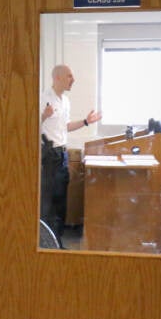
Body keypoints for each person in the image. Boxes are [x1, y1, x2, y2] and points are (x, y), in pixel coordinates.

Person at [40, 64, 101, 240]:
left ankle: (57, 243)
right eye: (69, 76)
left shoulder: (65, 101)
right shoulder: (44, 98)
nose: (73, 80)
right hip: (49, 155)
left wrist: (86, 122)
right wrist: (44, 115)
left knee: (61, 203)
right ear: (57, 77)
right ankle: (46, 245)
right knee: (48, 204)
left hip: (62, 155)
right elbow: (32, 126)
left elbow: (65, 127)